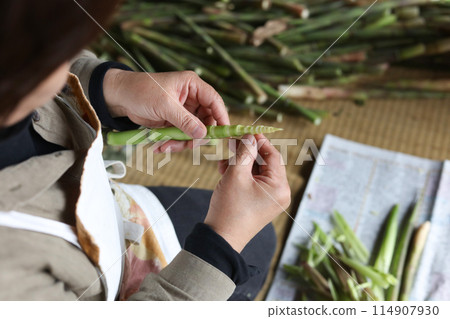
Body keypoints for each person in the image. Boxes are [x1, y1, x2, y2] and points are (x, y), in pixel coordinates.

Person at [0, 0, 291, 300]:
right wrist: (222, 244)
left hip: (106, 205)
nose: (69, 63)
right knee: (244, 257)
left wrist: (111, 86)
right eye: (60, 59)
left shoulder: (15, 63)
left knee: (261, 241)